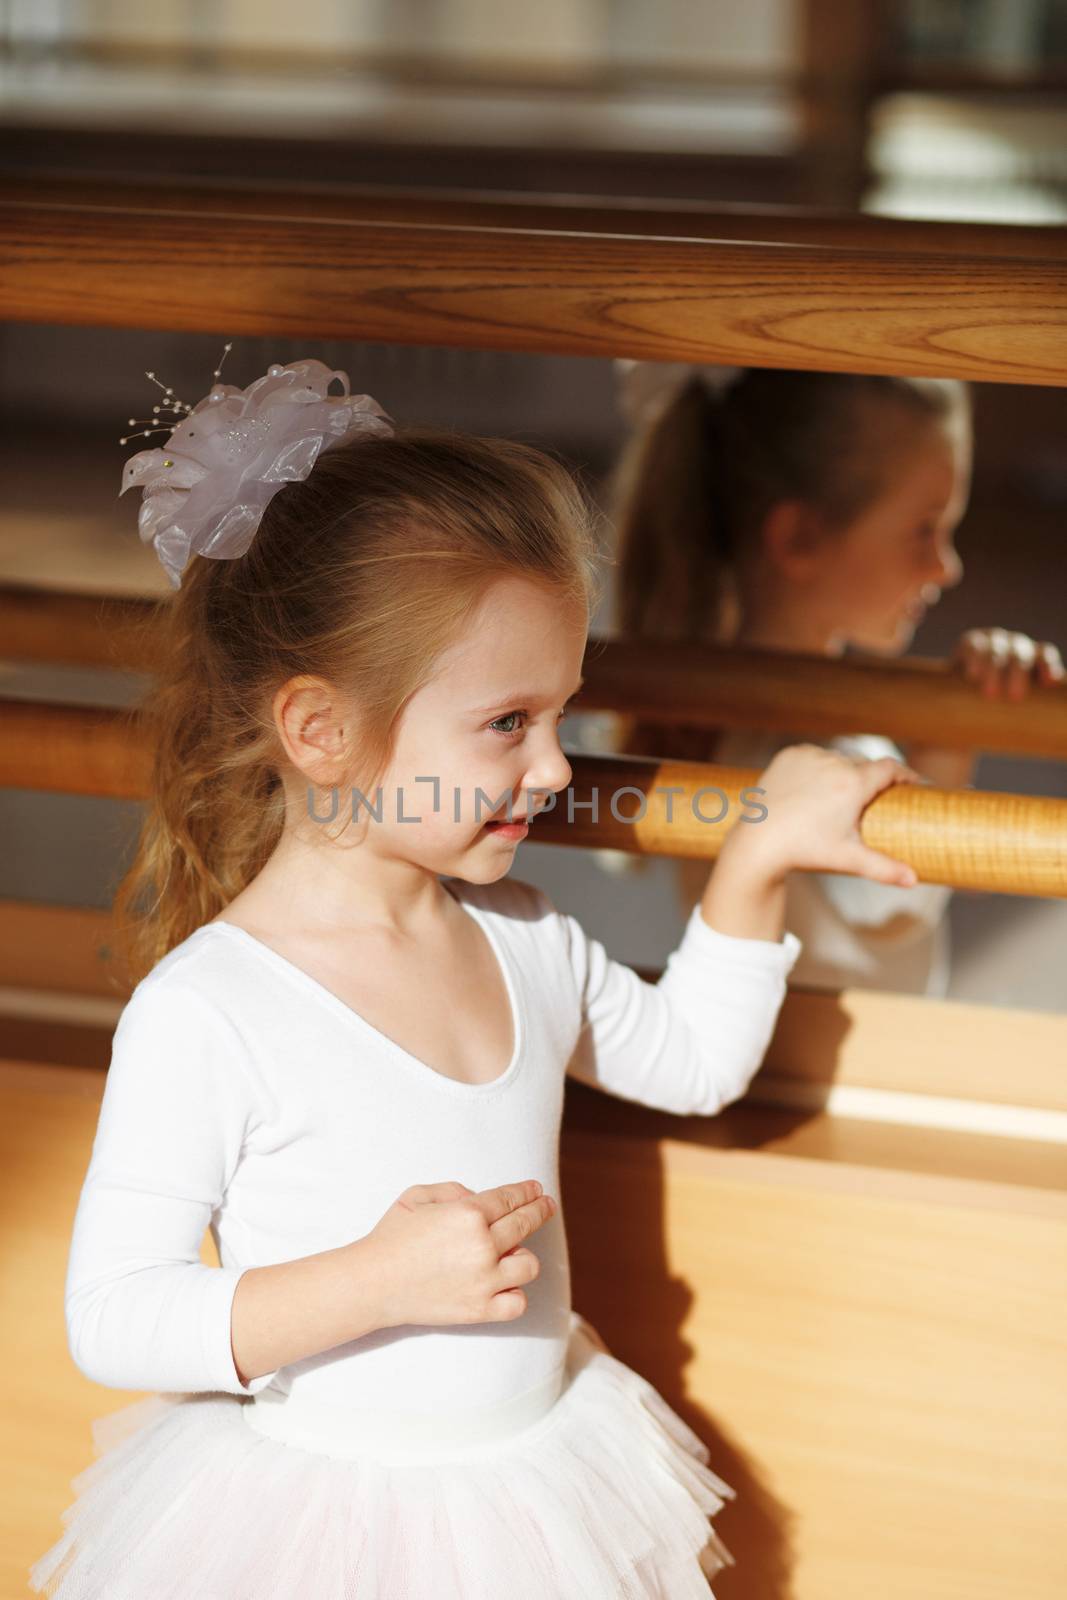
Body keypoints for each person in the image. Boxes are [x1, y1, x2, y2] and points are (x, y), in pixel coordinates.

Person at [31, 356, 931, 1600]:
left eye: (560, 713)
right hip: (316, 1526)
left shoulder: (521, 937)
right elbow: (116, 1315)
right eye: (507, 724)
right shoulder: (210, 1008)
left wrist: (757, 857)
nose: (556, 770)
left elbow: (690, 1064)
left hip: (531, 1496)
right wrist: (377, 1280)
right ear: (320, 730)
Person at [605, 362, 1064, 996]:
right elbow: (893, 897)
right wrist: (954, 736)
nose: (947, 567)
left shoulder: (733, 709)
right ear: (800, 538)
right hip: (836, 1068)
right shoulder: (800, 755)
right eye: (923, 529)